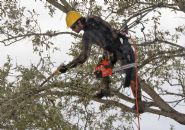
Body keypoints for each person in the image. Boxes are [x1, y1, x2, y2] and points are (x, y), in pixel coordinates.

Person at [58, 11, 143, 112]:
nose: (73, 30)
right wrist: (68, 67)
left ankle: (139, 102)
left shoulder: (91, 25)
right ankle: (105, 89)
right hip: (109, 51)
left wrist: (117, 33)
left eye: (73, 27)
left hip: (121, 46)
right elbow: (83, 57)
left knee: (131, 73)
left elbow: (108, 27)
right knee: (100, 70)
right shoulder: (88, 31)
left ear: (79, 22)